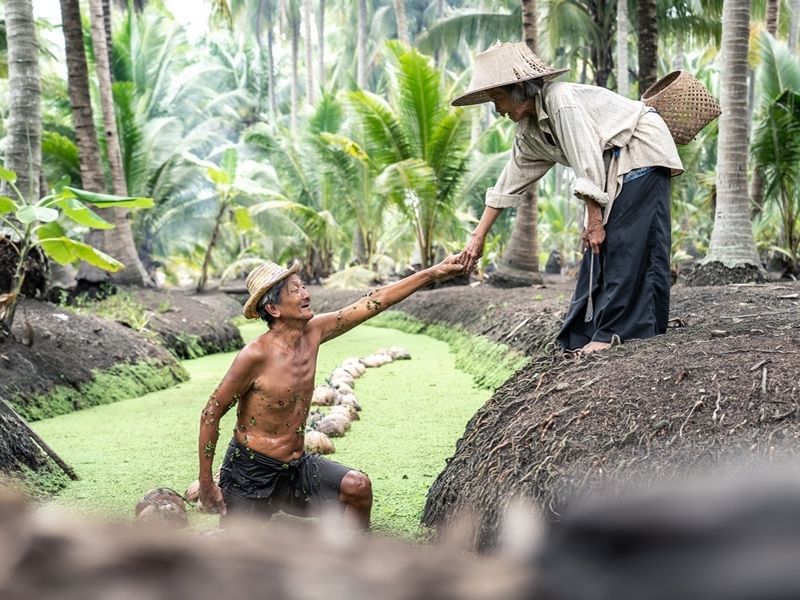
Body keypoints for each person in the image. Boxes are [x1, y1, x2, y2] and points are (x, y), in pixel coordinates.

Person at [197, 256, 464, 528]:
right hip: (249, 474)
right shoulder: (254, 355)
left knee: (358, 487)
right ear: (274, 308)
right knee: (239, 555)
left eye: (303, 286)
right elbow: (211, 412)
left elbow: (375, 301)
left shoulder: (314, 332)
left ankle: (351, 559)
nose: (306, 294)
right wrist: (206, 483)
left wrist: (433, 273)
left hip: (295, 468)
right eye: (296, 290)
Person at [454, 42, 683, 354]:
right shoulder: (529, 129)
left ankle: (617, 332)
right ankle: (583, 333)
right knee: (597, 250)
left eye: (498, 98)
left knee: (625, 244)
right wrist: (477, 237)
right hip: (611, 165)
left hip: (640, 148)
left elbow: (585, 157)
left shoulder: (559, 100)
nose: (498, 109)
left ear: (520, 87)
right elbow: (510, 180)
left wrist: (595, 220)